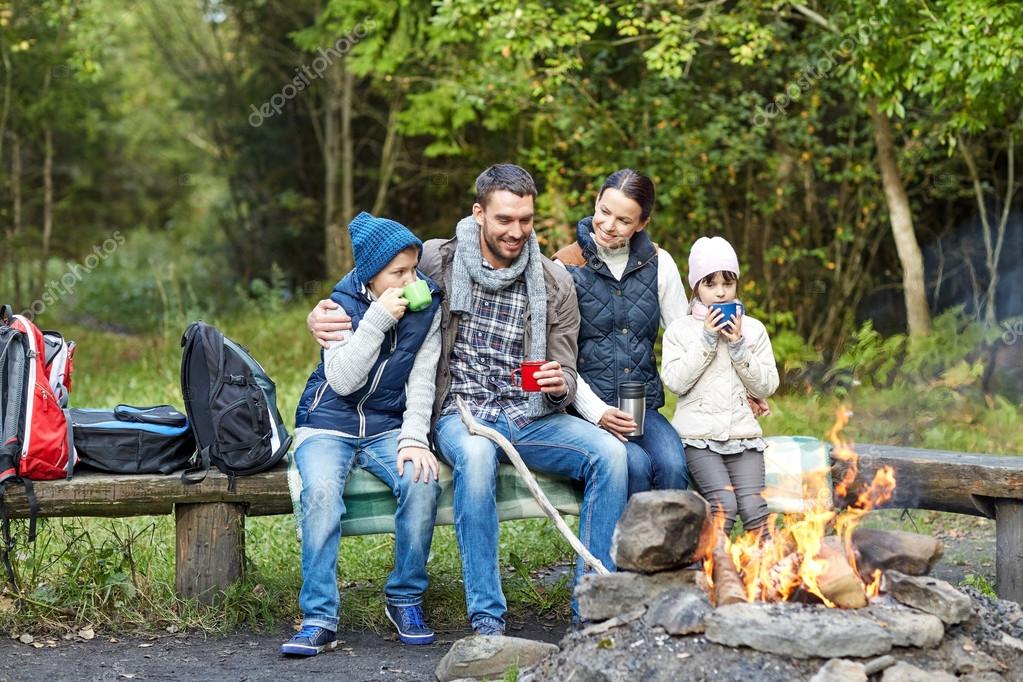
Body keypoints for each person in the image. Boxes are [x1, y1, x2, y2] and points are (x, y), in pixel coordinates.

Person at [308, 164, 628, 636]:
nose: (516, 231)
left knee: (612, 455)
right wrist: (322, 313)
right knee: (476, 457)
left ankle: (592, 609)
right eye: (504, 219)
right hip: (460, 411)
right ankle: (487, 618)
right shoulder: (439, 259)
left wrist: (559, 384)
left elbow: (564, 367)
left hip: (528, 412)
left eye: (525, 219)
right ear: (479, 213)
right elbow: (371, 273)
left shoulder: (553, 282)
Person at [282, 212, 443, 657]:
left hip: (386, 427)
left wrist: (414, 438)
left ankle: (405, 597)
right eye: (399, 273)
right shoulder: (339, 307)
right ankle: (319, 617)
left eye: (414, 269)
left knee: (421, 480)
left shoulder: (426, 304)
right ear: (370, 276)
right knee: (319, 496)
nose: (412, 279)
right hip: (326, 424)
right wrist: (375, 321)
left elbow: (423, 379)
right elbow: (343, 381)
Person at [553, 169, 689, 497]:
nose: (608, 226)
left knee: (673, 465)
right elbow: (558, 357)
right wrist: (597, 413)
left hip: (642, 408)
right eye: (604, 211)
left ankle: (669, 548)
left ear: (642, 223)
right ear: (596, 203)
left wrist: (737, 390)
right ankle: (627, 548)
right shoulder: (564, 266)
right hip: (586, 411)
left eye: (624, 220)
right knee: (635, 466)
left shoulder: (659, 262)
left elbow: (686, 339)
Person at [660, 236, 779, 536]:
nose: (721, 293)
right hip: (697, 438)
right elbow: (675, 382)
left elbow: (767, 386)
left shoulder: (753, 330)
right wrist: (708, 339)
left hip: (744, 437)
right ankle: (712, 576)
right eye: (710, 284)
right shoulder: (680, 331)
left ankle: (766, 579)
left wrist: (739, 346)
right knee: (723, 504)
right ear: (696, 287)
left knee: (754, 509)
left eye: (728, 283)